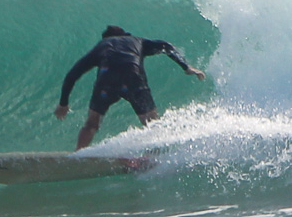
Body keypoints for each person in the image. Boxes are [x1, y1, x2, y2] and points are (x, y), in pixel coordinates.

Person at [53, 25, 207, 150]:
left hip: (107, 79)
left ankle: (79, 155)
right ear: (126, 35)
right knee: (151, 123)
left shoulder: (102, 46)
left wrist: (63, 103)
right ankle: (154, 157)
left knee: (91, 123)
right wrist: (186, 67)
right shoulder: (137, 41)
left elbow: (73, 74)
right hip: (133, 76)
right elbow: (165, 46)